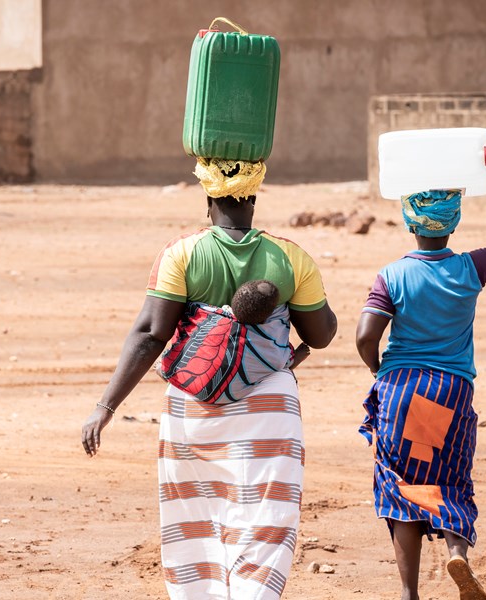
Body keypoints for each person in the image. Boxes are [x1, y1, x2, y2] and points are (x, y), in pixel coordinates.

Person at [81, 157, 338, 599]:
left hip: (191, 406)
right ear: (254, 199)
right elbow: (322, 333)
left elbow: (150, 334)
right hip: (269, 406)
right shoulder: (290, 257)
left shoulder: (182, 253)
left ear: (208, 199)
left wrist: (105, 407)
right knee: (264, 520)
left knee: (193, 519)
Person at [354, 154, 486, 600]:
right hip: (450, 390)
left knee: (401, 485)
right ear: (452, 224)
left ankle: (408, 592)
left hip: (401, 390)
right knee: (450, 477)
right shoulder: (471, 268)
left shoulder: (392, 275)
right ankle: (458, 553)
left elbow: (363, 337)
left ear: (410, 222)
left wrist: (380, 370)